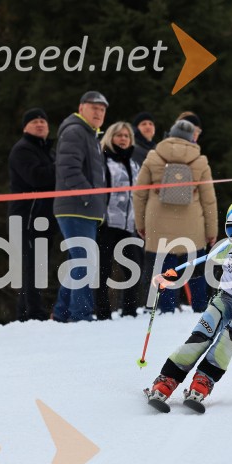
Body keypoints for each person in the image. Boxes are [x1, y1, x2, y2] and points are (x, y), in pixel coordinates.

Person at [144, 196, 232, 413]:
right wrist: (173, 275)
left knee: (228, 341)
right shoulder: (228, 247)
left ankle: (203, 382)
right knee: (200, 337)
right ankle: (166, 380)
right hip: (224, 300)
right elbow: (200, 266)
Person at [133, 119, 217, 314]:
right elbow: (209, 200)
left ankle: (166, 308)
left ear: (170, 134)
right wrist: (211, 231)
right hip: (193, 224)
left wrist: (140, 223)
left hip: (158, 222)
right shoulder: (200, 161)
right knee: (195, 267)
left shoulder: (153, 157)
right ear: (191, 137)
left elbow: (139, 194)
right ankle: (199, 307)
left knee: (165, 266)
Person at [51, 91, 110, 322]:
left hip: (83, 208)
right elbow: (68, 170)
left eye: (102, 110)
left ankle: (62, 311)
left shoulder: (89, 134)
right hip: (75, 207)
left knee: (78, 260)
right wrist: (89, 198)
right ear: (81, 108)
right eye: (94, 108)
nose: (98, 113)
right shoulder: (76, 131)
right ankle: (80, 315)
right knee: (85, 261)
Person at [8, 108, 57, 321]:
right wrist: (62, 167)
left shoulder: (48, 150)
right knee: (31, 264)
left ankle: (25, 313)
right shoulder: (23, 149)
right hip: (27, 216)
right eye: (35, 121)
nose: (40, 124)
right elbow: (37, 177)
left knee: (38, 264)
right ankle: (34, 312)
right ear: (25, 127)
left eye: (43, 121)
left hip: (44, 216)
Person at [95, 121, 143, 319]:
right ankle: (102, 313)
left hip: (127, 225)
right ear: (111, 138)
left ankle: (129, 312)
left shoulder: (133, 163)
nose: (123, 139)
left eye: (126, 136)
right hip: (106, 224)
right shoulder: (103, 161)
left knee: (134, 269)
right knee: (102, 270)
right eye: (119, 135)